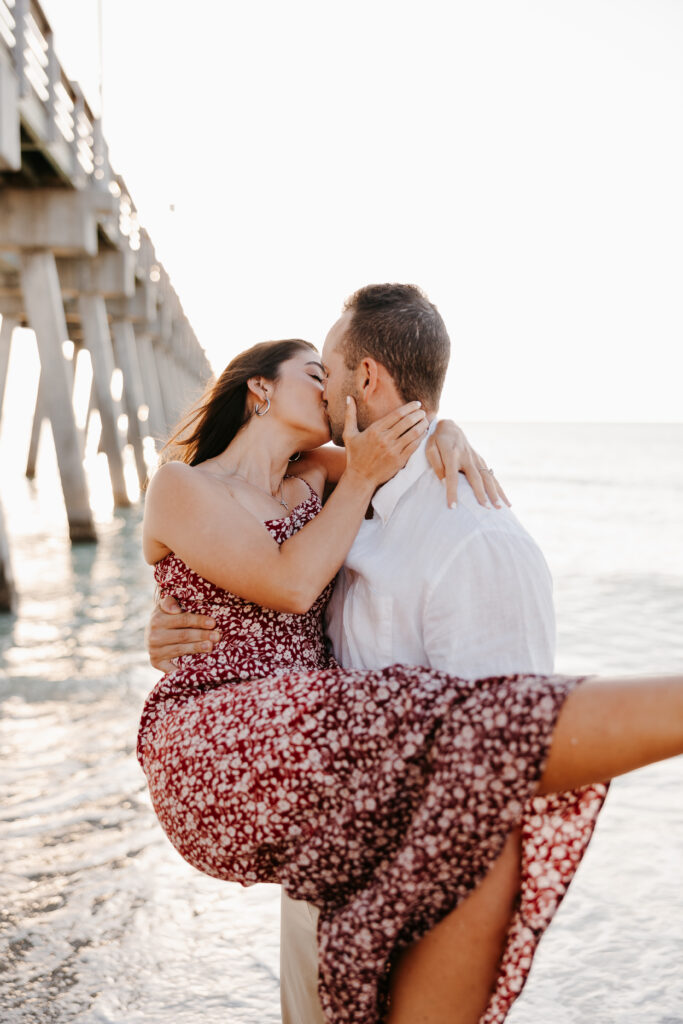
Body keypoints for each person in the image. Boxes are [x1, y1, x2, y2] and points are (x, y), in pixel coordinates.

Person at [139, 285, 683, 1024]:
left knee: (471, 730)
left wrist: (443, 429)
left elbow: (400, 441)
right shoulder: (191, 483)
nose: (326, 386)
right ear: (259, 389)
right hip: (233, 738)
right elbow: (292, 585)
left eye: (330, 370)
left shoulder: (327, 479)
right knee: (458, 720)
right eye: (311, 371)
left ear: (361, 379)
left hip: (317, 788)